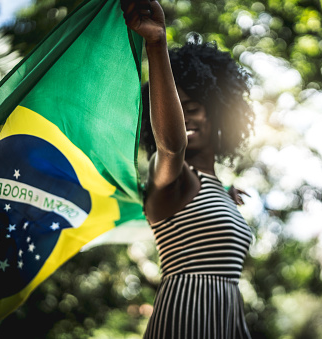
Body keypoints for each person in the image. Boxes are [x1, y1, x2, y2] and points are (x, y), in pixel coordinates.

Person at [121, 1, 255, 338]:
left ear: (217, 114)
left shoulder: (215, 188)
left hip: (226, 322)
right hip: (184, 322)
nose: (183, 118)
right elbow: (171, 145)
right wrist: (156, 44)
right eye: (175, 110)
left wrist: (224, 194)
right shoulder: (168, 173)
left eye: (191, 108)